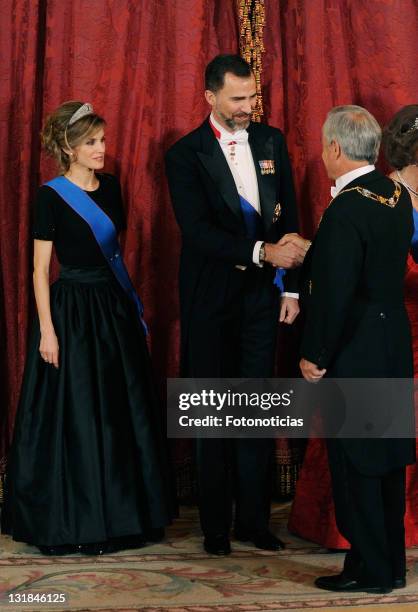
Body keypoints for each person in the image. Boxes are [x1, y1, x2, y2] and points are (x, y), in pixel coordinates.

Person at [2, 101, 171, 555]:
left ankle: (124, 516)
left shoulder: (112, 187)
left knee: (120, 412)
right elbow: (40, 271)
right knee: (78, 415)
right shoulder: (50, 196)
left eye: (101, 139)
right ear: (67, 147)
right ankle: (80, 519)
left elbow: (115, 256)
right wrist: (48, 331)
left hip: (112, 309)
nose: (101, 148)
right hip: (71, 314)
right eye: (91, 142)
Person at [165, 54, 309, 556]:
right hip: (209, 298)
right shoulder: (184, 155)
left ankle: (253, 522)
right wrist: (259, 252)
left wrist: (290, 285)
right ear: (210, 98)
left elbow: (287, 212)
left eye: (251, 97)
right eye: (237, 99)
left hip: (261, 298)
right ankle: (215, 529)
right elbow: (198, 232)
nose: (249, 106)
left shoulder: (271, 140)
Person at [289, 105, 418, 550]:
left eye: (325, 146)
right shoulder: (397, 195)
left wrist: (315, 354)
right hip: (393, 341)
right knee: (386, 462)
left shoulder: (346, 208)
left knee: (357, 462)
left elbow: (335, 291)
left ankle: (367, 568)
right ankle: (389, 563)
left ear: (335, 147)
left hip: (355, 348)